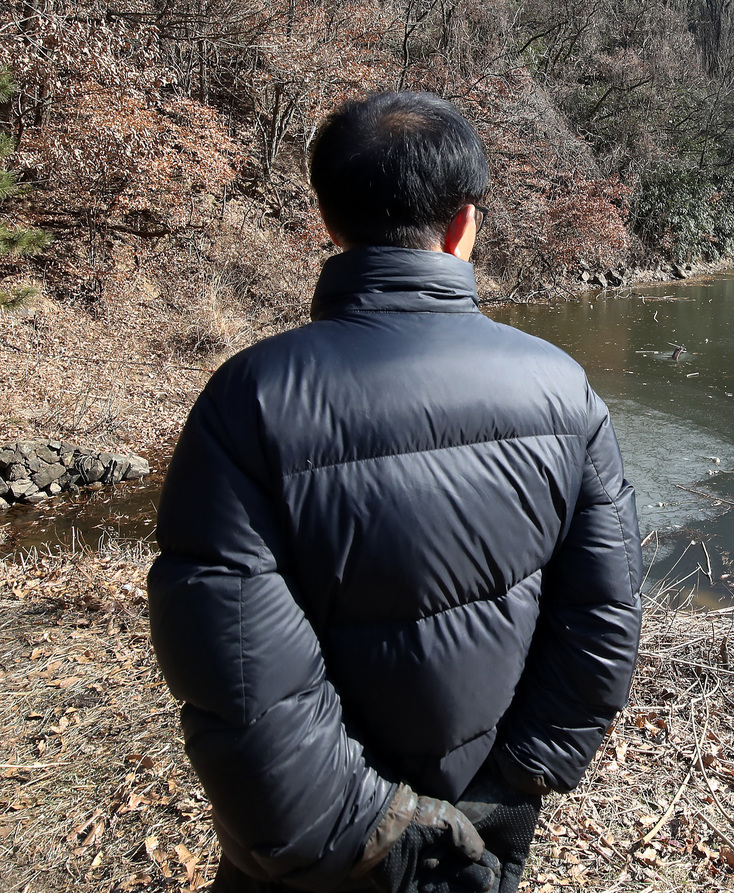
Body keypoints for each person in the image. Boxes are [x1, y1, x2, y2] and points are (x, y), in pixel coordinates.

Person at [146, 91, 644, 893]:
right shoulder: (563, 389)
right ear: (464, 225)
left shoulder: (248, 400)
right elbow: (602, 619)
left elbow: (238, 678)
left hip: (315, 853)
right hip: (482, 829)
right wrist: (513, 785)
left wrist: (378, 829)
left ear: (328, 220)